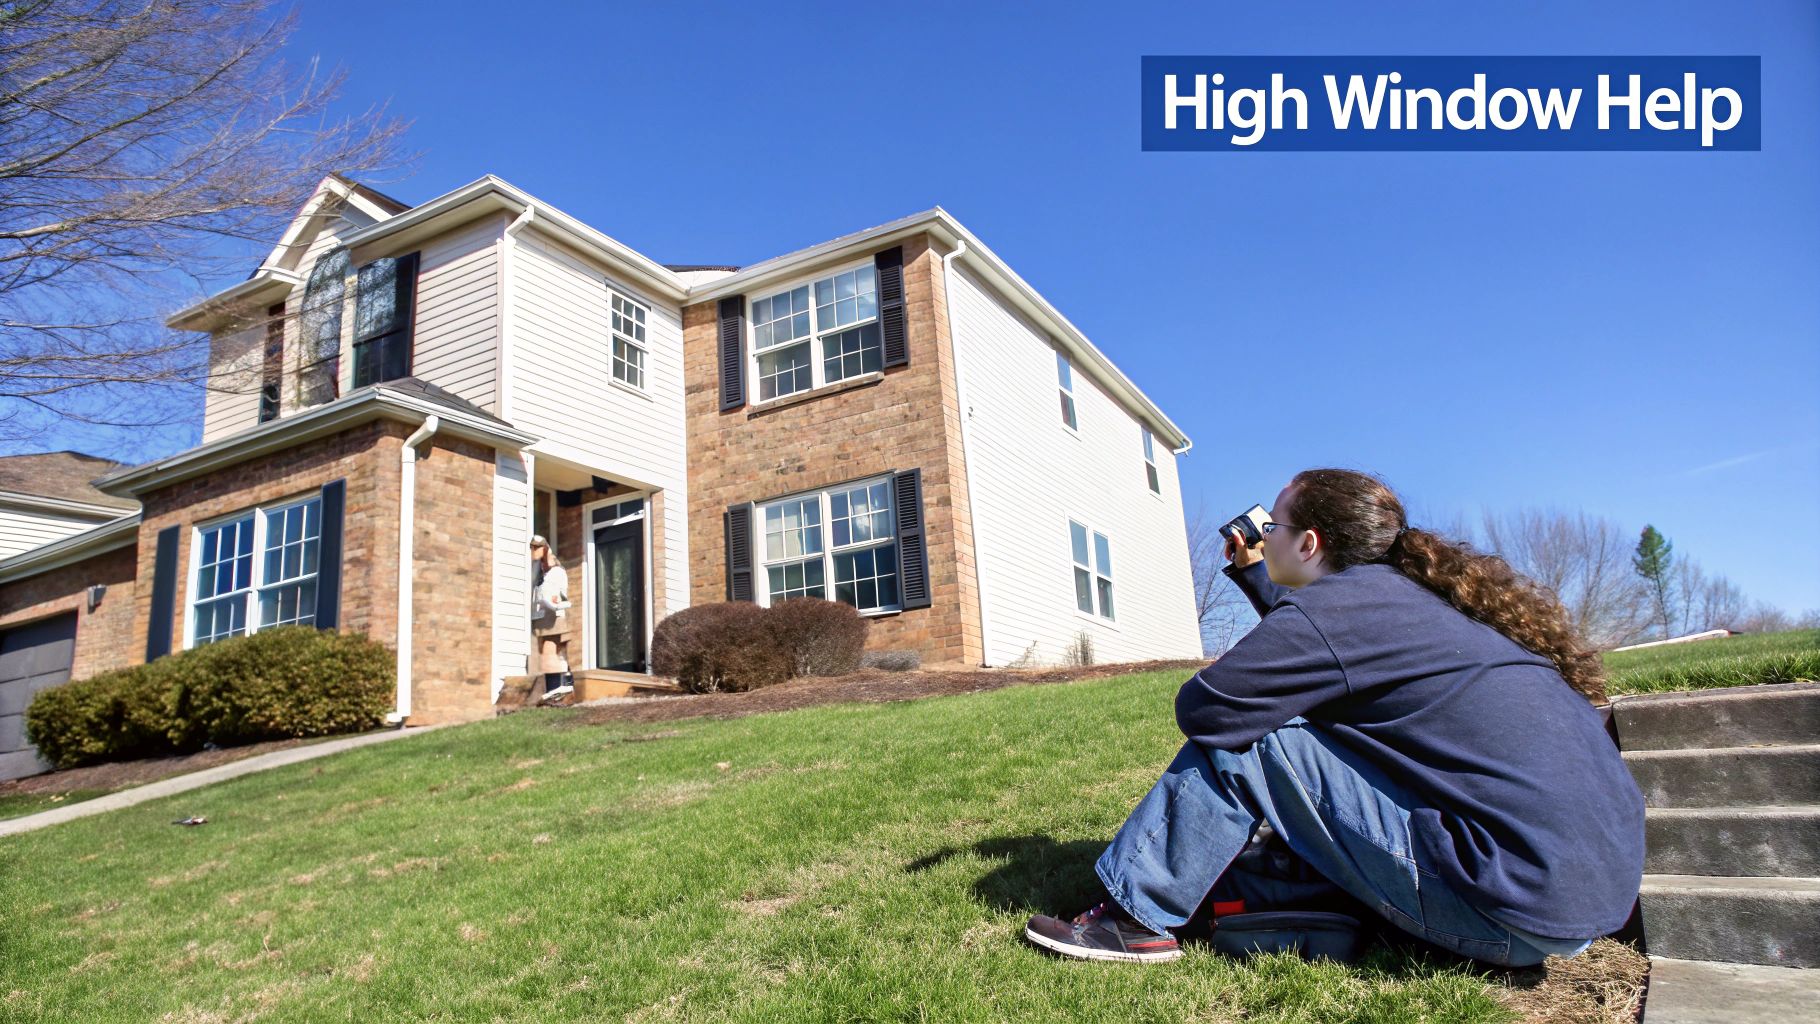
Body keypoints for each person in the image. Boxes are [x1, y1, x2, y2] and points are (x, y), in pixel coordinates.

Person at [1024, 468, 1645, 966]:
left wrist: (1277, 606)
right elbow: (1331, 653)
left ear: (1309, 543)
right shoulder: (1414, 602)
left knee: (1255, 734)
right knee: (1294, 724)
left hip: (1509, 910)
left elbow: (1210, 707)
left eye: (1274, 526)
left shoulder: (1343, 609)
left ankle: (1133, 919)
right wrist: (1259, 578)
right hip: (1576, 900)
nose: (1265, 537)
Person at [529, 535, 573, 700]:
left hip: (553, 618)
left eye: (536, 547)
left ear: (545, 549)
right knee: (544, 654)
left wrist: (555, 602)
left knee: (550, 652)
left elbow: (564, 597)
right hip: (539, 618)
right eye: (532, 548)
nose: (533, 551)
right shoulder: (538, 571)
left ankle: (558, 688)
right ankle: (555, 688)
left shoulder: (557, 572)